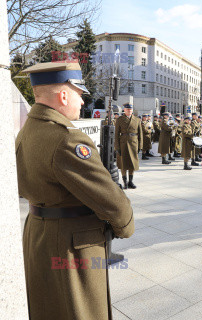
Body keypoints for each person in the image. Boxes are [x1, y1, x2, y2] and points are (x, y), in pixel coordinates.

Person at [17, 62, 134, 320]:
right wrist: (125, 224)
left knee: (48, 309)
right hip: (71, 244)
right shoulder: (67, 139)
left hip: (38, 234)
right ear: (63, 95)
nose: (82, 102)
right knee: (80, 311)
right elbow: (115, 205)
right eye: (80, 94)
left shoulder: (27, 131)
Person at [115, 103, 143, 189]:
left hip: (134, 143)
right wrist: (117, 147)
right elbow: (116, 134)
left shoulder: (137, 120)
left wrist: (140, 146)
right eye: (127, 109)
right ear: (124, 110)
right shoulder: (120, 119)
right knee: (123, 163)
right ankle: (125, 182)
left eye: (130, 109)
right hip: (123, 143)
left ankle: (130, 181)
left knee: (132, 163)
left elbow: (140, 134)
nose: (129, 111)